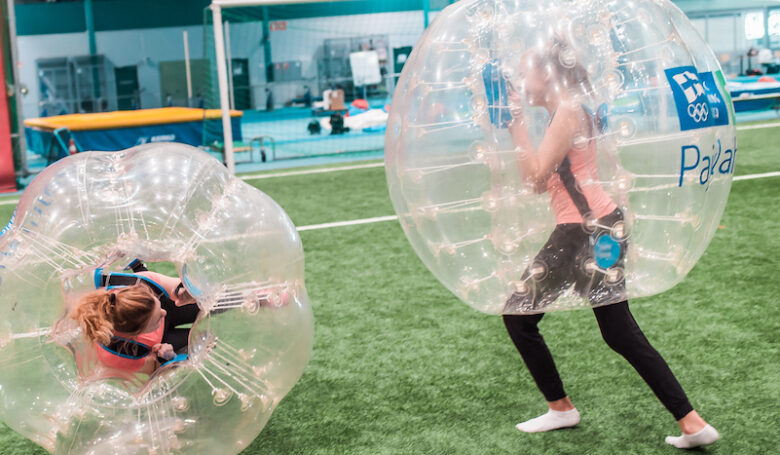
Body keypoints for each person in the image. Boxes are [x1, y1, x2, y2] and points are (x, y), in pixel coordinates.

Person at [500, 38, 719, 449]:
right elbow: (541, 182)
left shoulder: (567, 113)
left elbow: (532, 179)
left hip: (583, 231)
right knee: (616, 331)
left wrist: (513, 122)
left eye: (525, 71)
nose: (519, 80)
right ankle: (691, 422)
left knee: (520, 315)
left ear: (548, 75)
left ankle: (563, 409)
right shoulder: (565, 112)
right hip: (601, 225)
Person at [71, 259, 200, 375]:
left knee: (210, 304)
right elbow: (154, 371)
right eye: (157, 319)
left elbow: (190, 289)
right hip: (161, 342)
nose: (163, 313)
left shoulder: (142, 282)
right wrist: (166, 359)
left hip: (165, 301)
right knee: (201, 340)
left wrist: (189, 294)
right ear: (135, 334)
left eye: (158, 307)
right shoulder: (118, 353)